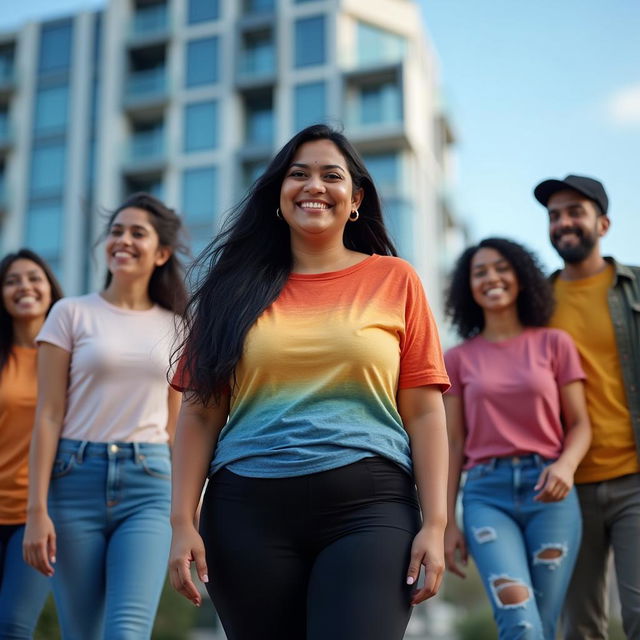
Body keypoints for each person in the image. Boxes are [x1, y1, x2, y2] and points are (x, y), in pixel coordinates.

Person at [168, 124, 450, 640]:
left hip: (369, 509)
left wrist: (435, 523)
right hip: (244, 515)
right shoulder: (232, 289)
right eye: (298, 175)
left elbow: (426, 412)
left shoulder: (395, 279)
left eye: (331, 175)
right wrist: (181, 521)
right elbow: (201, 410)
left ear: (355, 198)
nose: (313, 186)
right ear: (279, 195)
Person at [23, 193, 187, 639]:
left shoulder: (177, 327)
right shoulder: (69, 313)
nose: (123, 240)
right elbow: (49, 415)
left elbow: (178, 429)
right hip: (73, 480)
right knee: (83, 633)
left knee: (128, 631)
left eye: (138, 233)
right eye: (116, 230)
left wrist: (186, 515)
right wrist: (36, 510)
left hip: (149, 483)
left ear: (162, 253)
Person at [443, 237, 591, 640]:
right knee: (520, 622)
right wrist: (445, 522)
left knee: (542, 622)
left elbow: (580, 424)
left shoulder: (554, 344)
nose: (492, 277)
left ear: (521, 278)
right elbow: (453, 444)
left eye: (501, 268)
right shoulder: (457, 359)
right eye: (480, 272)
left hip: (551, 493)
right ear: (468, 287)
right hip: (486, 496)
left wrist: (565, 465)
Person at [533, 174, 640, 640]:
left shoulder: (634, 289)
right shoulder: (534, 305)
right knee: (579, 627)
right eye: (555, 215)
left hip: (634, 476)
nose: (563, 223)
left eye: (575, 211)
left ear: (604, 222)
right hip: (565, 486)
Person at [0, 249, 63, 639]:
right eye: (12, 280)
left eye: (34, 278)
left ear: (50, 288)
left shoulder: (72, 357)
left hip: (38, 515)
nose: (24, 286)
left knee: (12, 625)